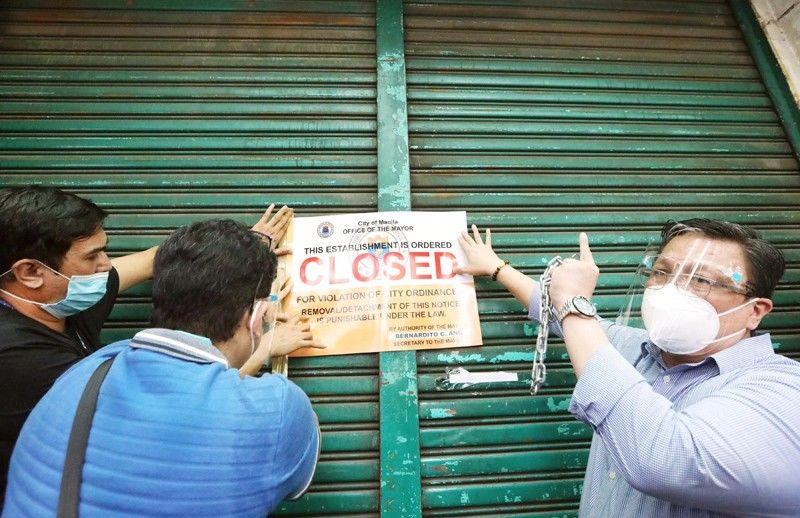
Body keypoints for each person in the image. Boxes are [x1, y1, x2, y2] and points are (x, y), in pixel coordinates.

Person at [456, 218, 800, 517]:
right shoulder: (634, 348)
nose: (672, 290)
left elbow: (666, 461)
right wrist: (496, 267)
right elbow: (552, 308)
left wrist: (575, 306)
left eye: (702, 281)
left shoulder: (781, 388)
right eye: (662, 272)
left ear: (756, 310)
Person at [3, 218, 323, 516]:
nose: (104, 265)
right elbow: (293, 480)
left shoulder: (80, 376)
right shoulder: (278, 407)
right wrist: (263, 348)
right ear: (256, 320)